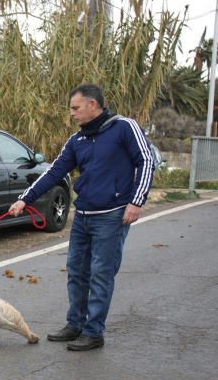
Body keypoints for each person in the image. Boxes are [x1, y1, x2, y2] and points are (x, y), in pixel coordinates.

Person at [9, 83, 154, 351]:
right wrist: (24, 199)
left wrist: (136, 201)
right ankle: (75, 324)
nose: (72, 114)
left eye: (75, 108)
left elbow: (146, 160)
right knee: (76, 272)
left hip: (112, 215)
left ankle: (94, 331)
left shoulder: (124, 127)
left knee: (101, 273)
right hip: (83, 215)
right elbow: (54, 172)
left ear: (93, 105)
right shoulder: (77, 140)